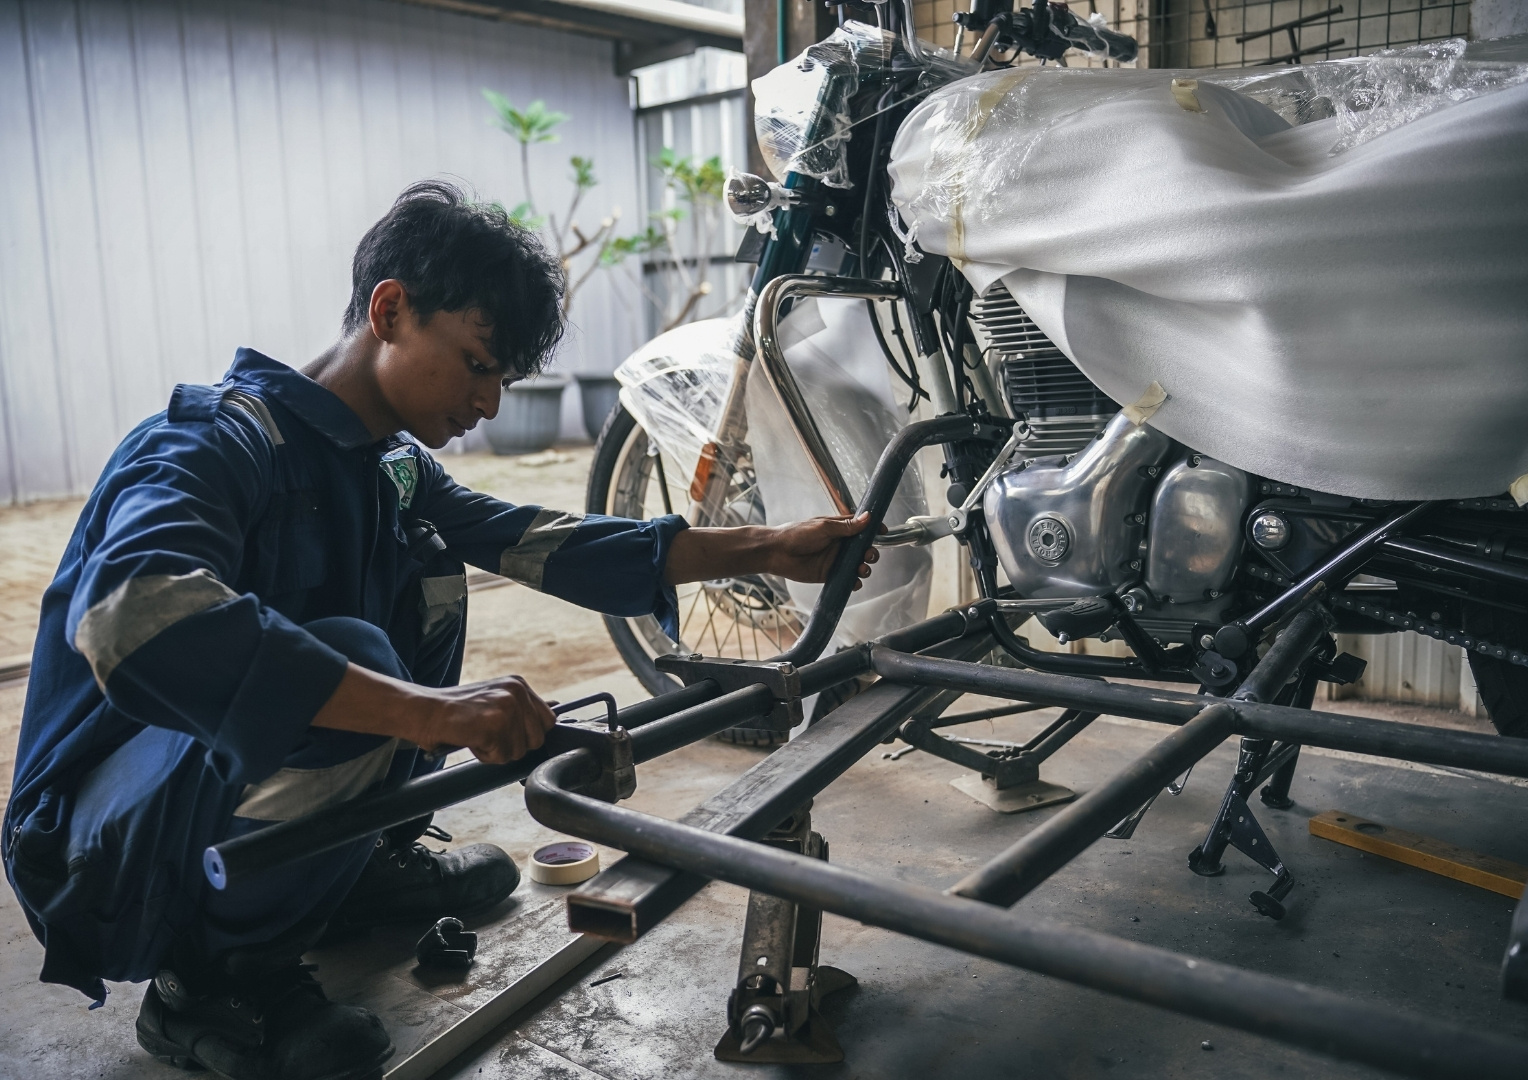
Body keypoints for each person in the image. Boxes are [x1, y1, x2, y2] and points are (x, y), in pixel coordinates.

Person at [3, 180, 879, 1080]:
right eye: (475, 363)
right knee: (357, 655)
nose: (489, 402)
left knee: (429, 575)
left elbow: (543, 542)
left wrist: (772, 546)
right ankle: (211, 982)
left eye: (502, 379)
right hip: (99, 850)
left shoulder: (389, 468)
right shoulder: (214, 443)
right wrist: (433, 713)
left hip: (204, 804)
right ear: (390, 311)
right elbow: (135, 614)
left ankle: (352, 867)